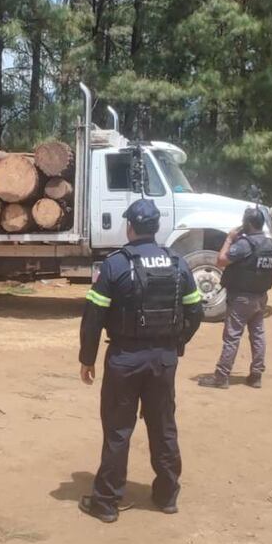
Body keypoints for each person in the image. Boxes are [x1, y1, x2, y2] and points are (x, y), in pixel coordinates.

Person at [77, 198, 204, 523]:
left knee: (118, 431)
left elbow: (93, 316)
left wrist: (87, 358)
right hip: (163, 360)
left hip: (124, 359)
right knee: (163, 427)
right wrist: (177, 342)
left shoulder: (116, 264)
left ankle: (106, 503)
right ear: (156, 227)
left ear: (130, 227)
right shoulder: (178, 262)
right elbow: (196, 311)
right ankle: (167, 496)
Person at [200, 207, 272, 390]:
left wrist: (229, 238)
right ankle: (256, 375)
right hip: (261, 298)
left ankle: (221, 377)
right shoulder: (271, 245)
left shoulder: (245, 244)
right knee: (258, 335)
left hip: (241, 299)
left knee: (232, 337)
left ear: (247, 224)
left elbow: (220, 260)